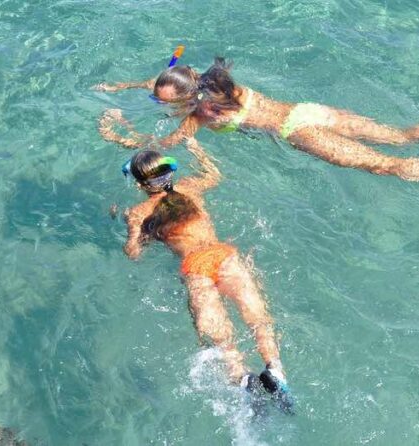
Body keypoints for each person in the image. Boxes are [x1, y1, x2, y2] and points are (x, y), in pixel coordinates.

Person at [95, 57, 419, 212]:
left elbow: (163, 149)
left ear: (187, 97)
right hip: (306, 110)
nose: (160, 102)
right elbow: (164, 81)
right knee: (400, 137)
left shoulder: (200, 115)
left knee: (383, 165)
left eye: (164, 100)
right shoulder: (212, 83)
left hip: (302, 132)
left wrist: (121, 135)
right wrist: (123, 87)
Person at [120, 139, 293, 413]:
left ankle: (244, 381)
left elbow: (133, 253)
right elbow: (215, 174)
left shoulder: (140, 212)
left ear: (141, 186)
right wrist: (197, 148)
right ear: (170, 173)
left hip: (196, 265)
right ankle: (275, 369)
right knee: (257, 318)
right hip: (224, 254)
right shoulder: (190, 187)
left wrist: (127, 222)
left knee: (221, 338)